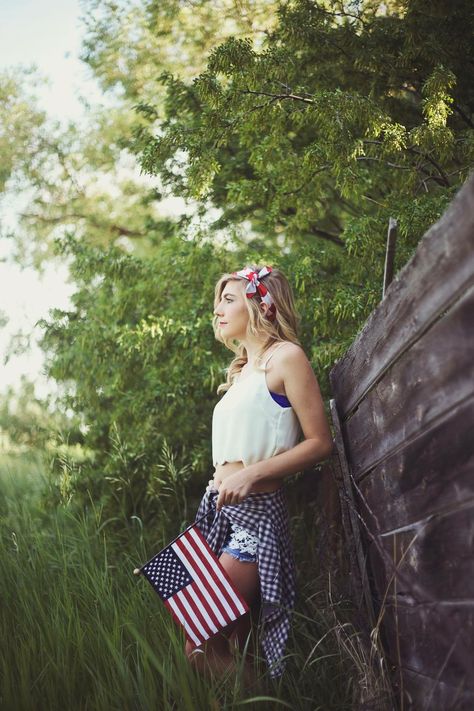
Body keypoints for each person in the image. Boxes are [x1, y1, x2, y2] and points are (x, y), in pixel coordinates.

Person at [185, 264, 334, 682]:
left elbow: (320, 442)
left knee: (200, 640)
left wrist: (251, 475)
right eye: (218, 300)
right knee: (233, 642)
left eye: (228, 299)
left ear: (259, 304)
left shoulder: (286, 358)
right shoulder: (241, 373)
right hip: (222, 516)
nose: (217, 309)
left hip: (255, 520)